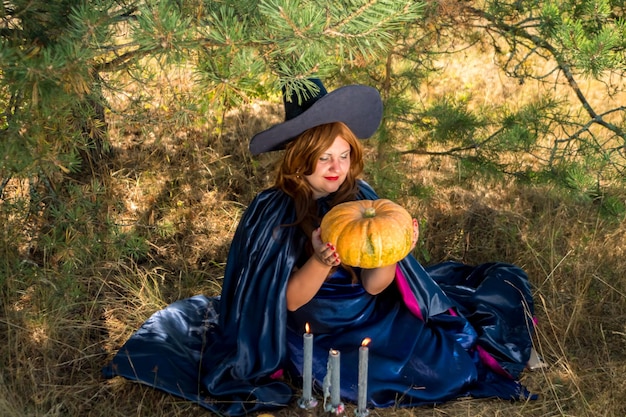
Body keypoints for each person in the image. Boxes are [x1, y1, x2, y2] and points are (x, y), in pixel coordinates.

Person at [103, 79, 536, 415]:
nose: (336, 168)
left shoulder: (360, 197)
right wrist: (321, 260)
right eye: (324, 157)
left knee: (453, 367)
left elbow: (374, 287)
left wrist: (394, 252)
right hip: (315, 334)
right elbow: (288, 301)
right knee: (375, 378)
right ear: (298, 156)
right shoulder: (274, 211)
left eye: (344, 155)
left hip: (371, 317)